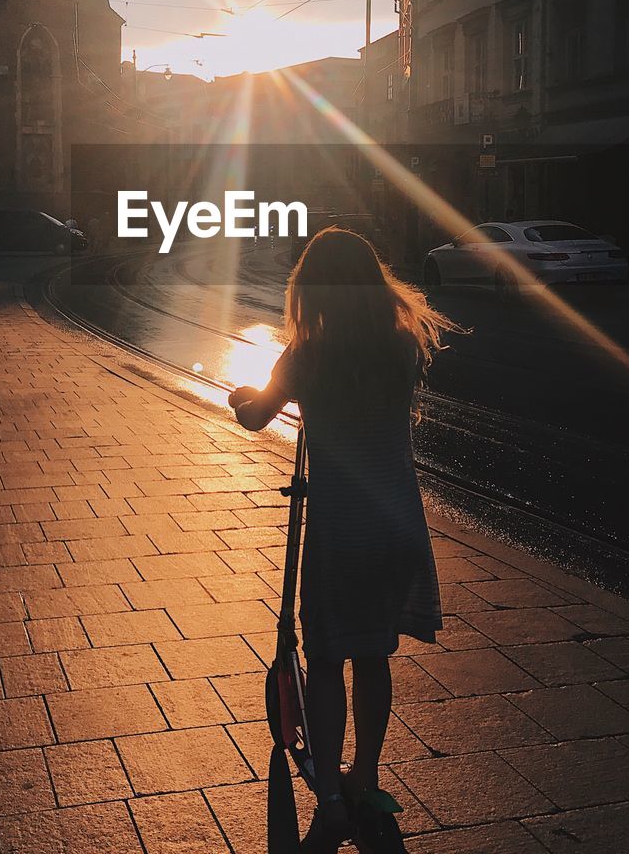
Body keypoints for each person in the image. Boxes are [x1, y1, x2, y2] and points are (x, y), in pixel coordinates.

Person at [229, 228, 452, 852]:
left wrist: (241, 396)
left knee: (326, 658)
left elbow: (257, 414)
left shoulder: (307, 355)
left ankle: (329, 797)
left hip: (343, 528)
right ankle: (367, 775)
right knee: (375, 655)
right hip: (398, 523)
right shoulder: (402, 344)